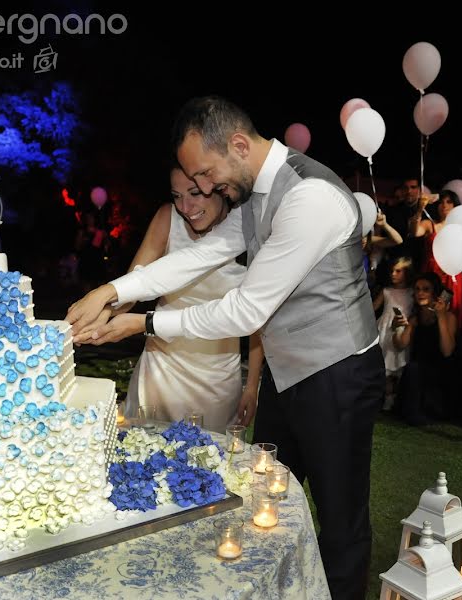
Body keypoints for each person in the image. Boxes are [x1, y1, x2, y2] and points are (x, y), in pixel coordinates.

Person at [67, 96, 384, 600]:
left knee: (340, 520)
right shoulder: (258, 196)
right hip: (289, 375)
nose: (208, 188)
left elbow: (245, 312)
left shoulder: (310, 196)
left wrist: (143, 321)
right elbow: (203, 255)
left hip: (337, 374)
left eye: (208, 173)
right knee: (269, 498)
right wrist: (112, 291)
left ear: (238, 144)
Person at [120, 166, 263, 432]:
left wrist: (252, 385)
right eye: (177, 195)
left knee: (210, 463)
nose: (185, 206)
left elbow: (255, 321)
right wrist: (102, 310)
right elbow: (132, 288)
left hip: (217, 381)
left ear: (219, 188)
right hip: (160, 370)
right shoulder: (167, 218)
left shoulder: (247, 232)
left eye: (195, 193)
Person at [391, 272, 462, 424]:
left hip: (439, 374)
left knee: (415, 369)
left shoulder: (449, 317)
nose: (420, 293)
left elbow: (447, 351)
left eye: (425, 289)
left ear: (434, 293)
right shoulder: (415, 318)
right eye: (417, 289)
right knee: (413, 368)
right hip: (418, 372)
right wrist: (395, 329)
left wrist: (441, 317)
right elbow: (400, 344)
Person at [410, 189, 462, 325]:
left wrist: (457, 262)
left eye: (449, 202)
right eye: (441, 202)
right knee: (428, 313)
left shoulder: (461, 229)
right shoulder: (430, 224)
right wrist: (420, 209)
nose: (444, 205)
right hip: (431, 274)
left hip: (451, 277)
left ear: (455, 205)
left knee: (448, 313)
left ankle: (449, 342)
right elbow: (415, 231)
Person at [376, 257, 415, 410]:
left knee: (398, 362)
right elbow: (373, 307)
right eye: (392, 270)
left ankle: (395, 397)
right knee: (385, 362)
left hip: (402, 330)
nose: (393, 274)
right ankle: (384, 396)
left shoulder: (412, 293)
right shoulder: (386, 291)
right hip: (384, 331)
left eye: (398, 271)